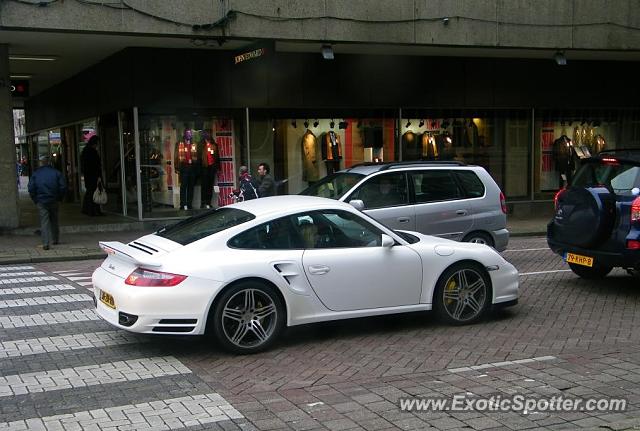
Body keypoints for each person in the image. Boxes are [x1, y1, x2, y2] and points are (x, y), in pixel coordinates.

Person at [28, 155, 67, 250]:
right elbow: (63, 187)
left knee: (44, 221)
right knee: (54, 219)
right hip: (54, 199)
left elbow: (31, 188)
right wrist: (60, 198)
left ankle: (46, 243)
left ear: (41, 163)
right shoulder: (57, 173)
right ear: (49, 163)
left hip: (41, 200)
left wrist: (35, 199)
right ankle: (55, 239)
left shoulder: (36, 174)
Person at [80, 135, 104, 216]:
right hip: (93, 176)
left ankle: (89, 210)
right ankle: (93, 210)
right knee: (94, 193)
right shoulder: (92, 152)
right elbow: (95, 165)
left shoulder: (85, 151)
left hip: (89, 176)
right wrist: (98, 176)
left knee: (90, 193)